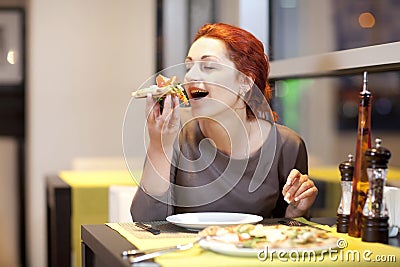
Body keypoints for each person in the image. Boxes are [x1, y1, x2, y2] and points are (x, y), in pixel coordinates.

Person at [130, 23, 318, 221]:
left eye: (209, 66)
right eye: (188, 66)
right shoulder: (173, 130)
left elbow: (285, 228)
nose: (190, 76)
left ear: (245, 82)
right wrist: (159, 146)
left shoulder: (287, 145)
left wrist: (296, 212)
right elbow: (145, 221)